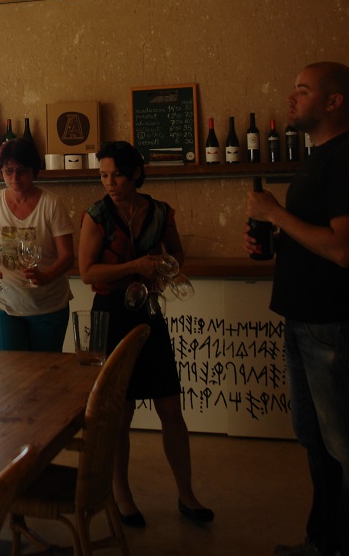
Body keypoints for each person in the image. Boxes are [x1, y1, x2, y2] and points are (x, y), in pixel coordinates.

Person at [245, 62, 349, 556]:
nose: (291, 98)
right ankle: (323, 540)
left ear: (334, 102)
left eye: (303, 91)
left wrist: (274, 214)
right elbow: (317, 239)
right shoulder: (319, 156)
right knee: (315, 438)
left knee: (347, 445)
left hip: (335, 323)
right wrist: (277, 239)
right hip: (305, 320)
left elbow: (345, 249)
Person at [77, 140, 213, 528]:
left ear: (135, 172)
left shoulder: (160, 212)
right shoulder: (97, 215)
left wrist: (165, 268)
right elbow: (88, 273)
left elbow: (178, 255)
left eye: (116, 173)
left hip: (149, 313)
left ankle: (187, 495)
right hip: (111, 315)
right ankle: (123, 496)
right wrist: (135, 265)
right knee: (120, 412)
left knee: (171, 407)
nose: (110, 182)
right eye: (103, 175)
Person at [0, 138, 74, 351]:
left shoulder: (52, 205)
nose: (14, 178)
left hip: (48, 306)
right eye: (8, 171)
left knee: (44, 375)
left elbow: (67, 256)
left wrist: (47, 276)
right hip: (3, 305)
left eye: (22, 171)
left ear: (34, 171)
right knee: (8, 375)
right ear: (1, 171)